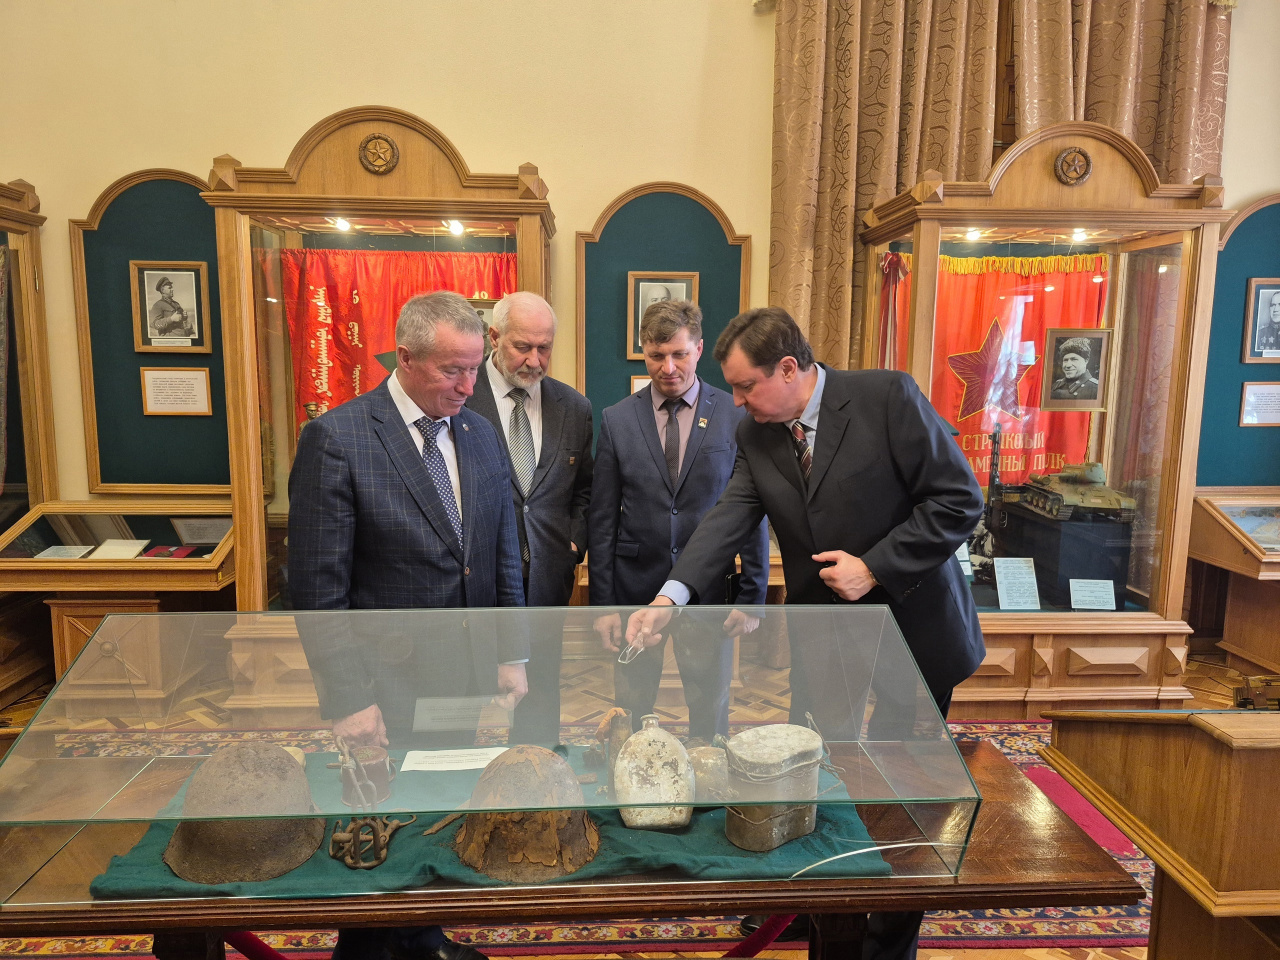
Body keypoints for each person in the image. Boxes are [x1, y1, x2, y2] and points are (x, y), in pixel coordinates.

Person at [626, 307, 985, 960]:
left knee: (907, 795)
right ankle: (820, 911)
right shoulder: (757, 430)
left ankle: (886, 943)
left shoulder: (887, 398)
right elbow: (730, 516)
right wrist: (669, 598)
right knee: (822, 777)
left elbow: (959, 499)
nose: (736, 401)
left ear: (789, 369)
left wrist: (874, 566)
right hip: (827, 638)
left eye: (745, 386)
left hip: (915, 633)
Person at [289, 291, 526, 960]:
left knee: (440, 808)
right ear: (406, 358)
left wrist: (513, 654)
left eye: (475, 367)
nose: (468, 385)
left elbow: (501, 552)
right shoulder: (339, 438)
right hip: (383, 684)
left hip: (462, 676)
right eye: (453, 369)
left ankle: (423, 938)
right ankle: (365, 951)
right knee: (377, 824)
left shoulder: (479, 432)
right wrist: (347, 698)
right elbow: (317, 589)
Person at [589, 300, 768, 741]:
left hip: (710, 590)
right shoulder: (616, 419)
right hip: (635, 590)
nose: (668, 368)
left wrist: (752, 596)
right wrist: (604, 606)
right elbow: (603, 518)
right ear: (643, 352)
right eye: (656, 355)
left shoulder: (735, 413)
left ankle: (710, 778)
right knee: (632, 706)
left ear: (699, 349)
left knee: (710, 707)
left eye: (679, 354)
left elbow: (751, 508)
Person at [466, 291, 593, 745]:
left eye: (545, 348)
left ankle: (537, 769)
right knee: (463, 695)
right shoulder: (461, 397)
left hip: (545, 578)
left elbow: (584, 491)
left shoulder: (573, 407)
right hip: (475, 581)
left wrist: (572, 543)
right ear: (494, 337)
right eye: (523, 347)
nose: (535, 360)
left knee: (539, 694)